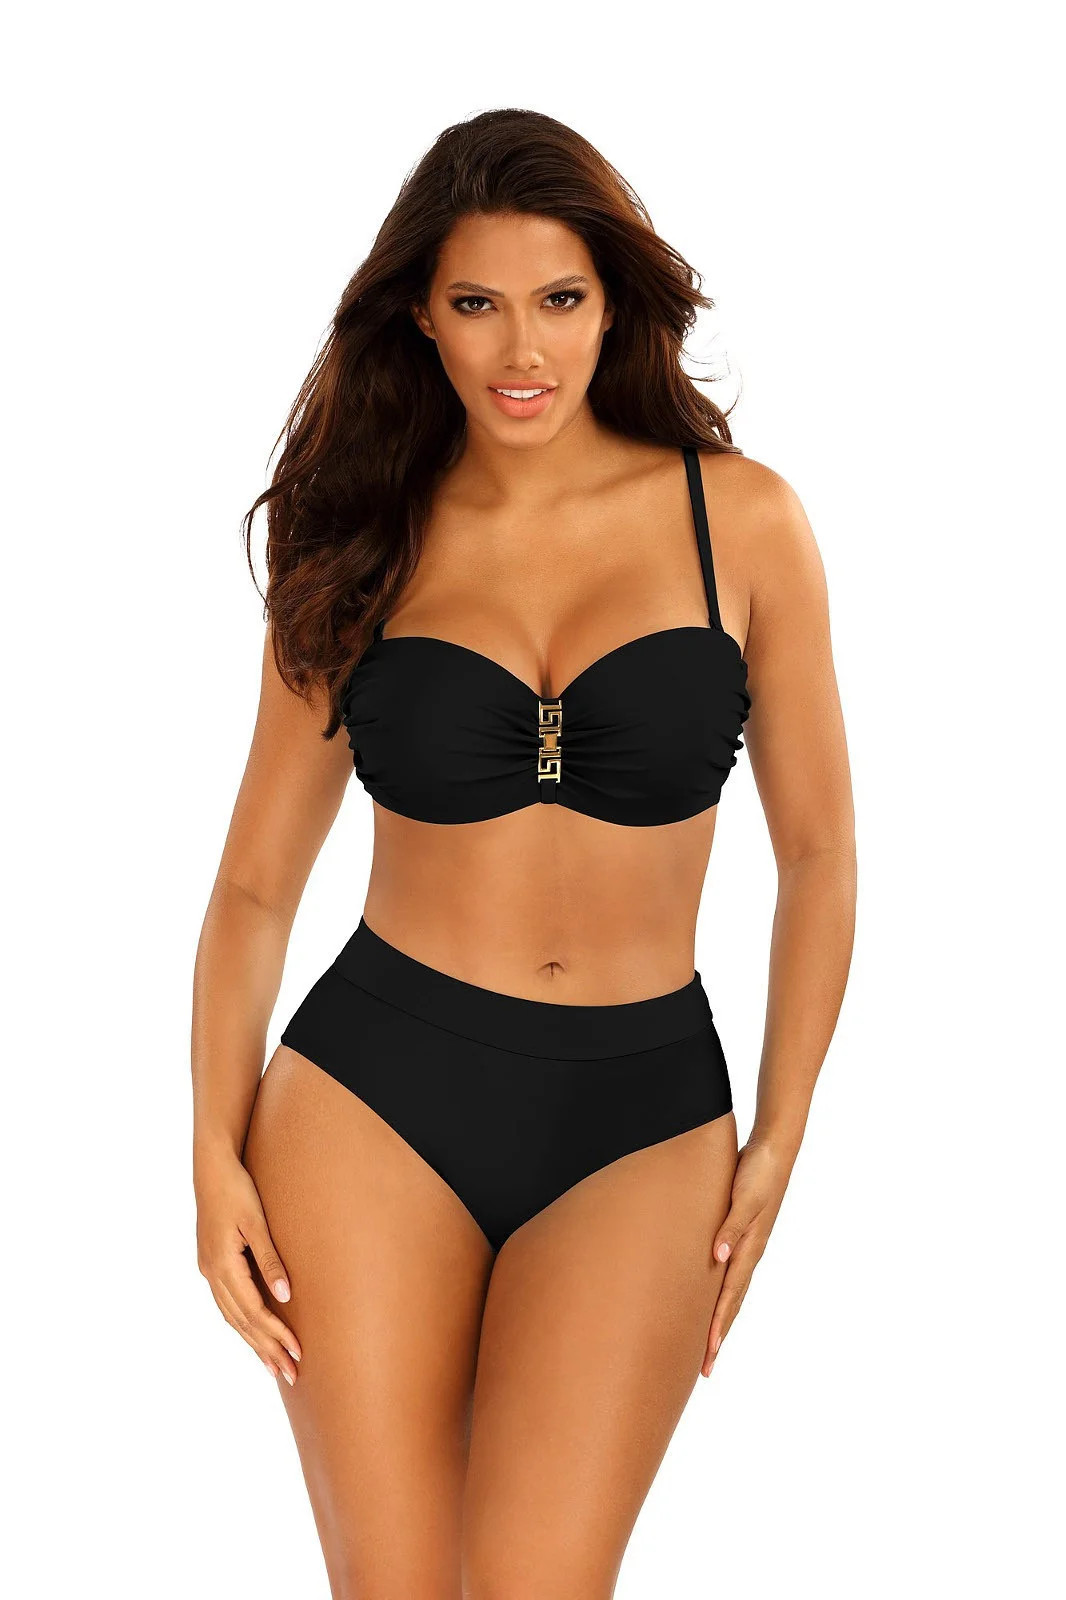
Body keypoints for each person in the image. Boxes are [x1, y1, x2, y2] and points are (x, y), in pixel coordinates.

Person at [192, 107, 856, 1599]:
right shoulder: (357, 536)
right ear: (420, 315)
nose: (521, 349)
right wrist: (210, 1148)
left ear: (613, 303)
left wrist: (782, 1130)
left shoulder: (743, 524)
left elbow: (817, 852)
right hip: (370, 1098)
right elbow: (253, 887)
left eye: (557, 297)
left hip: (644, 1115)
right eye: (477, 302)